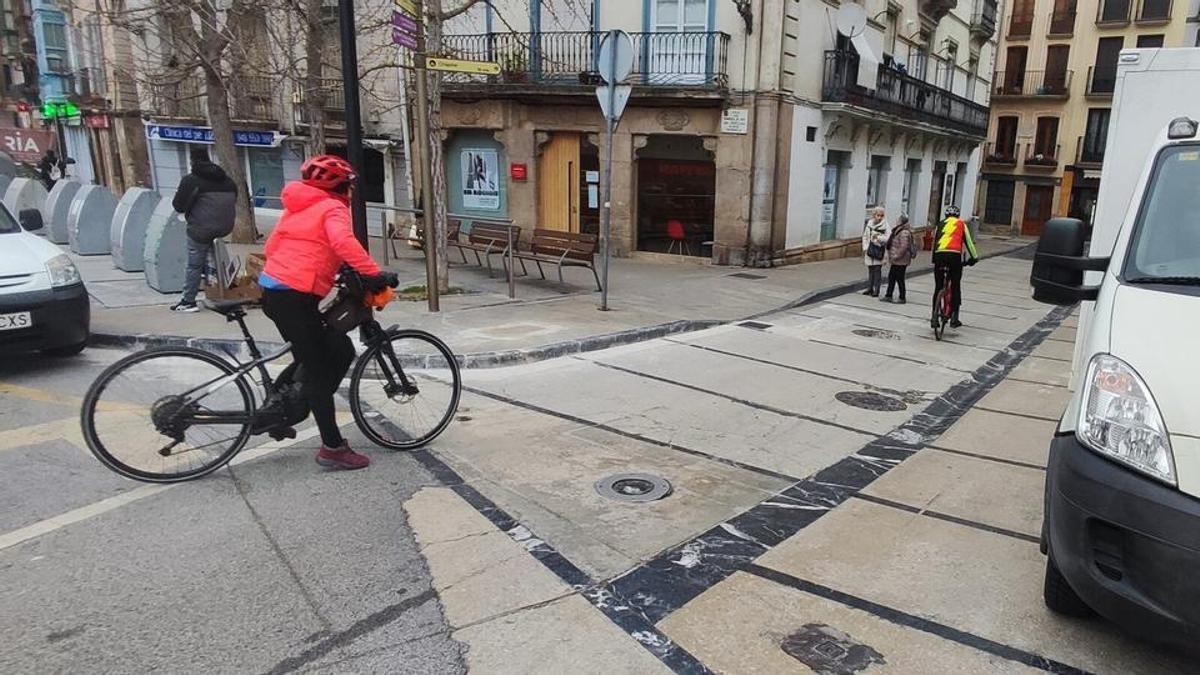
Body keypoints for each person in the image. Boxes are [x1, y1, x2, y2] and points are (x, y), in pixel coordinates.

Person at [259, 154, 391, 471]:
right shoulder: (332, 207)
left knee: (336, 348)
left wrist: (326, 267)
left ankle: (283, 410)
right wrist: (373, 274)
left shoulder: (299, 206)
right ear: (343, 187)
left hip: (278, 292)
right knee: (318, 369)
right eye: (350, 186)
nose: (351, 192)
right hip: (294, 297)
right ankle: (332, 447)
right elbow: (343, 241)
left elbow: (273, 247)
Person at [170, 147, 237, 312]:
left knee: (194, 265)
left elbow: (178, 206)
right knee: (218, 259)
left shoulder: (191, 180)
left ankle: (188, 301)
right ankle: (225, 293)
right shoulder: (228, 180)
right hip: (225, 227)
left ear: (192, 161)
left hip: (201, 230)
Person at [931, 205, 978, 329]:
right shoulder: (961, 224)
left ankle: (934, 317)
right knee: (955, 285)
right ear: (958, 216)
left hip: (939, 256)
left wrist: (934, 260)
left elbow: (934, 243)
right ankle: (954, 319)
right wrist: (974, 257)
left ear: (946, 216)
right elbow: (969, 243)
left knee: (938, 286)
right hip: (954, 257)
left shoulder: (940, 224)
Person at [881, 214, 914, 304]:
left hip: (901, 260)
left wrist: (896, 256)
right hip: (896, 260)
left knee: (900, 278)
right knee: (891, 277)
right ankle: (888, 295)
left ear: (901, 221)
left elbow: (904, 246)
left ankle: (902, 297)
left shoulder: (904, 232)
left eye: (898, 219)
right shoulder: (898, 230)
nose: (896, 221)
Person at [861, 206, 889, 297]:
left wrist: (879, 238)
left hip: (879, 250)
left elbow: (888, 237)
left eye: (881, 215)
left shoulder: (885, 225)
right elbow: (865, 236)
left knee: (877, 270)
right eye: (878, 215)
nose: (879, 217)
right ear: (874, 215)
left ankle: (876, 290)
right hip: (870, 250)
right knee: (870, 269)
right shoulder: (869, 224)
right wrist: (865, 247)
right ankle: (869, 288)